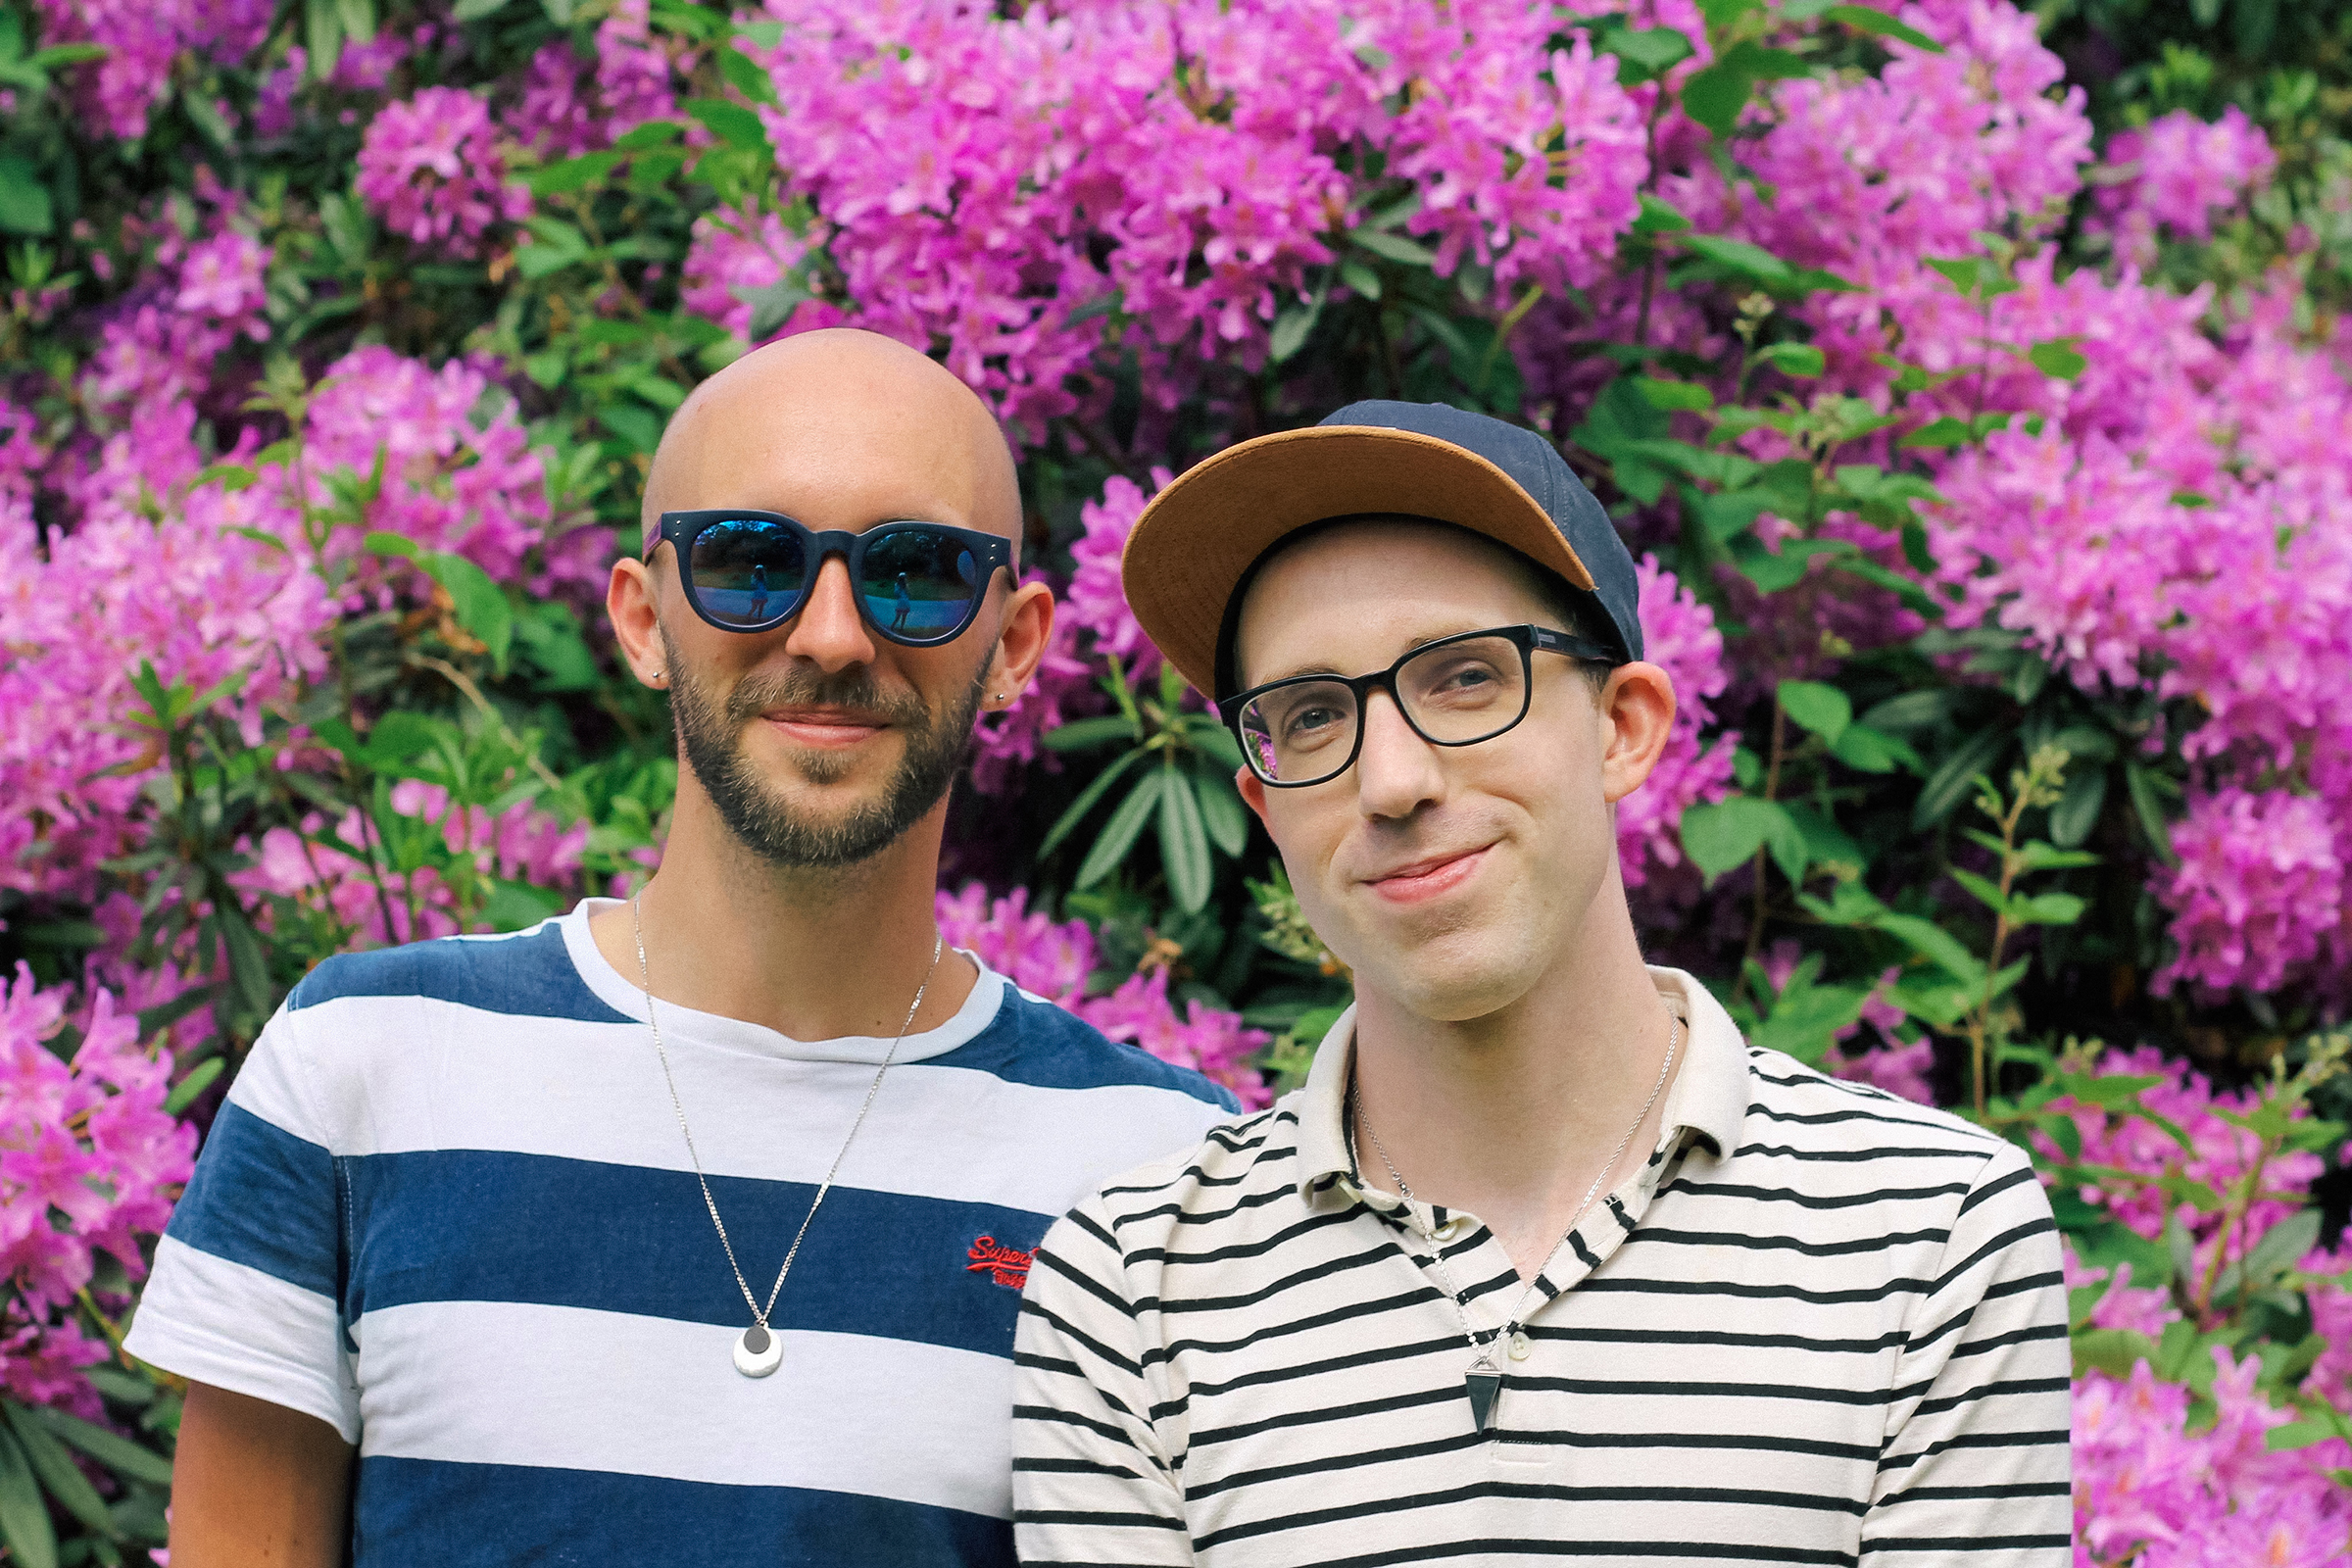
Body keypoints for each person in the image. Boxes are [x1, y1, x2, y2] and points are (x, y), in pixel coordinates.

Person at [130, 329, 1239, 1567]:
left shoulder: (1164, 1173)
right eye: (750, 560)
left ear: (1015, 645)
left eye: (915, 570)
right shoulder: (361, 1070)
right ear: (643, 619)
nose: (829, 635)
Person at [1012, 401, 2071, 1566]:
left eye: (1466, 677)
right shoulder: (1136, 1285)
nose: (1392, 780)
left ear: (1624, 726)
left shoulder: (1930, 1234)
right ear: (1266, 805)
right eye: (1311, 717)